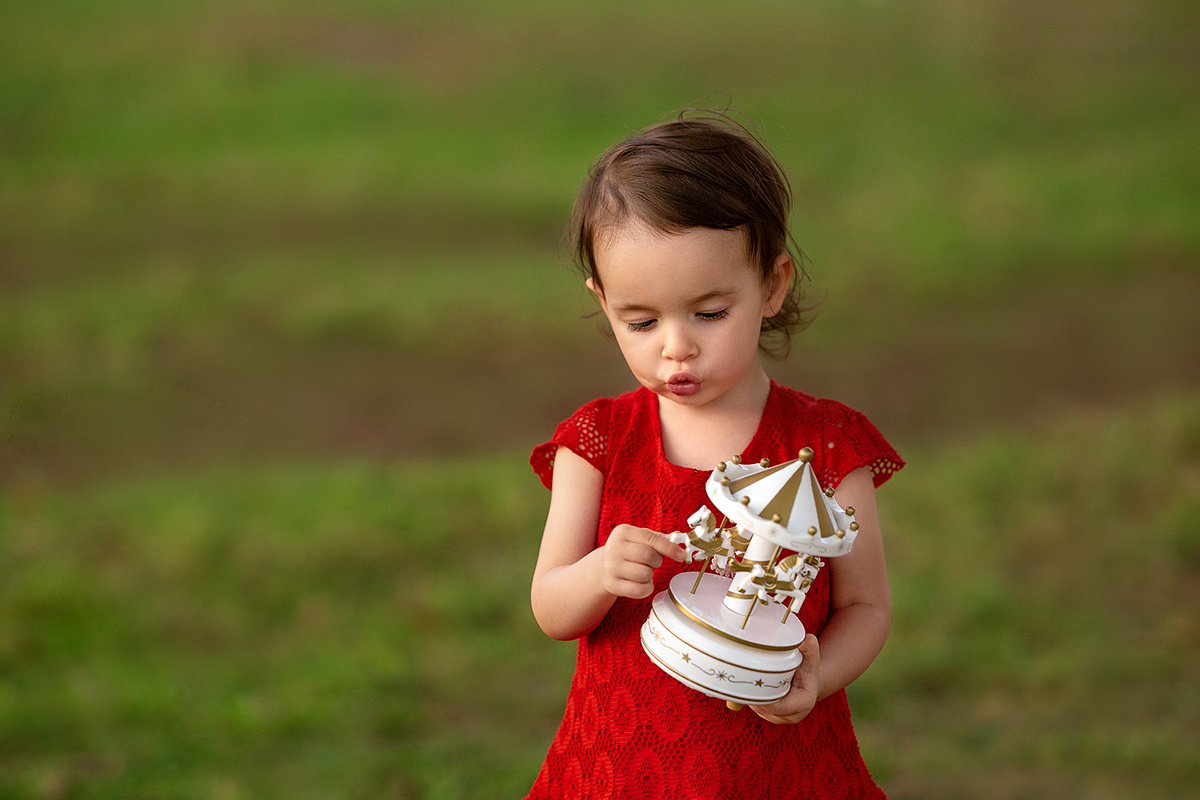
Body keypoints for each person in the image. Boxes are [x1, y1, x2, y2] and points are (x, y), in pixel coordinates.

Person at [525, 110, 905, 800]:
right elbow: (551, 607)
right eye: (640, 321)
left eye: (708, 312)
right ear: (602, 302)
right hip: (622, 767)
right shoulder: (599, 443)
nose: (676, 346)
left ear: (772, 285)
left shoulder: (827, 449)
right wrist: (600, 571)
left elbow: (866, 607)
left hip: (776, 768)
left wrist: (817, 680)